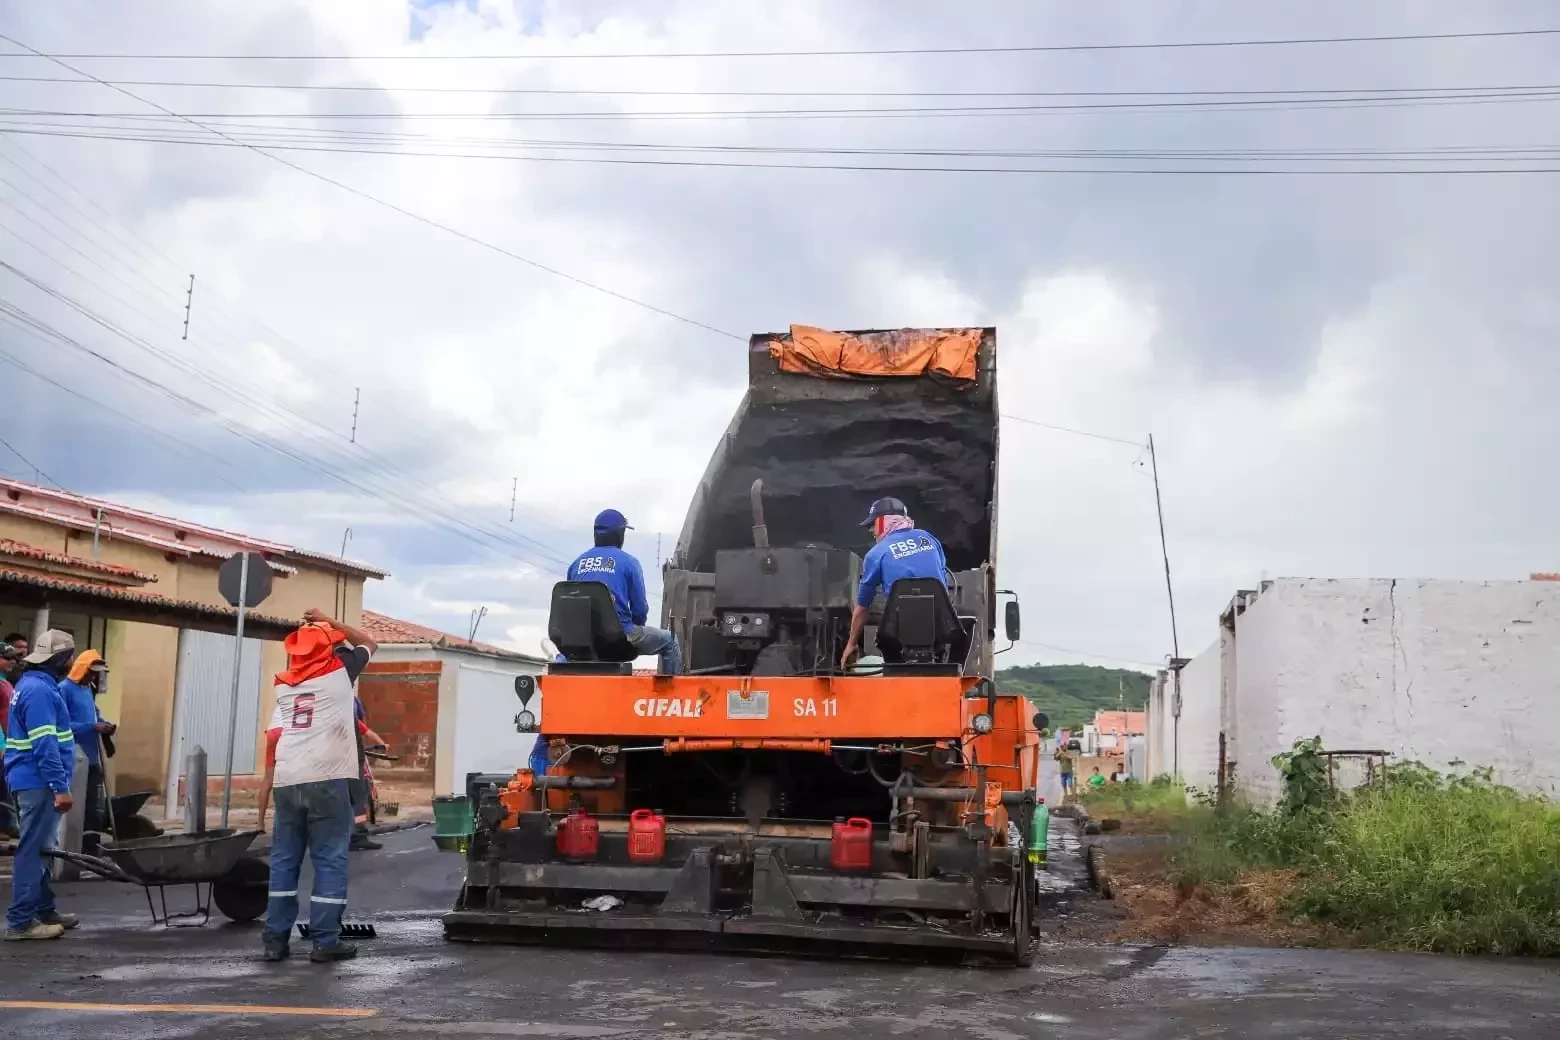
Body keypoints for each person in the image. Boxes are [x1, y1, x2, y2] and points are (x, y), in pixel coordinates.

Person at [260, 608, 378, 964]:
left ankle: (274, 941)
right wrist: (332, 621)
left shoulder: (283, 682)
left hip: (287, 778)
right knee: (329, 859)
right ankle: (325, 941)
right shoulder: (340, 673)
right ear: (329, 649)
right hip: (326, 778)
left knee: (284, 861)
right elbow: (370, 642)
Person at [3, 629, 78, 941]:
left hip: (35, 779)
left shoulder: (37, 686)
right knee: (34, 851)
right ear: (58, 658)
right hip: (38, 781)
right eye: (69, 655)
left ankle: (44, 910)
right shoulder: (39, 692)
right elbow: (44, 744)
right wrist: (60, 787)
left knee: (43, 849)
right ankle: (20, 922)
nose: (72, 660)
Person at [565, 508, 680, 675]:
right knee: (670, 641)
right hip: (619, 635)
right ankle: (671, 695)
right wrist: (635, 626)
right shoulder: (629, 562)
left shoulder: (576, 564)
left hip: (581, 639)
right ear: (620, 534)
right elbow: (639, 609)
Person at [840, 497, 950, 667]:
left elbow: (862, 607)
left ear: (884, 521)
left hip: (897, 632)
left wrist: (851, 643)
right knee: (966, 625)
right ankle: (954, 669)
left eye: (873, 525)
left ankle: (896, 671)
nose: (871, 530)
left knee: (883, 640)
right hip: (938, 624)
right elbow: (942, 581)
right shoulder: (929, 538)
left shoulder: (876, 554)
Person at [58, 650, 115, 835]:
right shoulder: (64, 689)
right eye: (90, 672)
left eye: (95, 673)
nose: (92, 676)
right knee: (74, 808)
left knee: (93, 807)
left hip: (92, 757)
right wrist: (92, 726)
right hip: (73, 759)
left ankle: (90, 843)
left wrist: (105, 725)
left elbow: (95, 715)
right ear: (81, 669)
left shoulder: (88, 689)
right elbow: (61, 726)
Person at [0, 642, 21, 839]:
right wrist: (1, 744)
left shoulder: (5, 681)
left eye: (14, 658)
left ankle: (6, 825)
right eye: (7, 658)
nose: (12, 662)